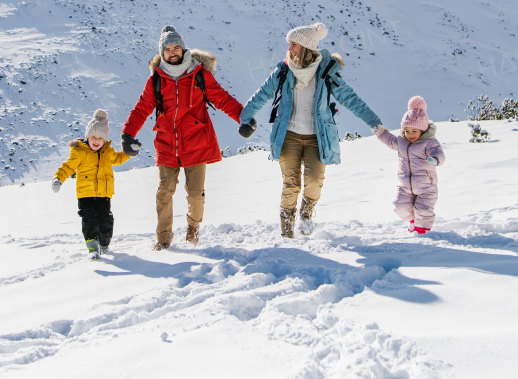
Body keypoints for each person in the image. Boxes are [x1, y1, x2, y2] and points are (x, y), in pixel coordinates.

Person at [238, 22, 388, 238]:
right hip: (288, 135)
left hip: (317, 137)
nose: (290, 49)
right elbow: (262, 94)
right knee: (291, 184)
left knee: (315, 182)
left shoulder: (326, 73)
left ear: (306, 47)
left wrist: (374, 122)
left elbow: (351, 99)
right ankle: (287, 233)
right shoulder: (283, 71)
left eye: (294, 45)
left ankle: (306, 212)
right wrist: (245, 118)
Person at [121, 25, 244, 251]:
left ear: (183, 49)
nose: (172, 52)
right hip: (167, 144)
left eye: (176, 47)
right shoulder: (156, 80)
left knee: (196, 196)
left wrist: (243, 118)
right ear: (162, 53)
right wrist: (128, 133)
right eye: (167, 49)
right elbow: (141, 108)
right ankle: (164, 240)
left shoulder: (199, 75)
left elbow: (222, 99)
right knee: (164, 194)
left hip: (197, 143)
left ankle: (193, 229)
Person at [52, 109, 139, 258]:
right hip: (85, 193)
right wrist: (58, 178)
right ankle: (92, 247)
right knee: (89, 219)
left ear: (105, 139)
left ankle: (104, 244)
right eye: (93, 137)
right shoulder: (80, 151)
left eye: (100, 137)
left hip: (104, 193)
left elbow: (118, 159)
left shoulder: (107, 151)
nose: (96, 140)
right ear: (88, 136)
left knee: (106, 219)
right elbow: (68, 167)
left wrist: (128, 152)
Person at [374, 96, 445, 234]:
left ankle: (422, 232)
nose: (410, 135)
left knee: (423, 210)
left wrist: (435, 159)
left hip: (426, 186)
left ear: (423, 130)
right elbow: (389, 140)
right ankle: (413, 221)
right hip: (406, 186)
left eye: (414, 131)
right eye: (407, 131)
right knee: (399, 207)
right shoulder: (402, 142)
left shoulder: (429, 142)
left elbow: (439, 153)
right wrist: (380, 132)